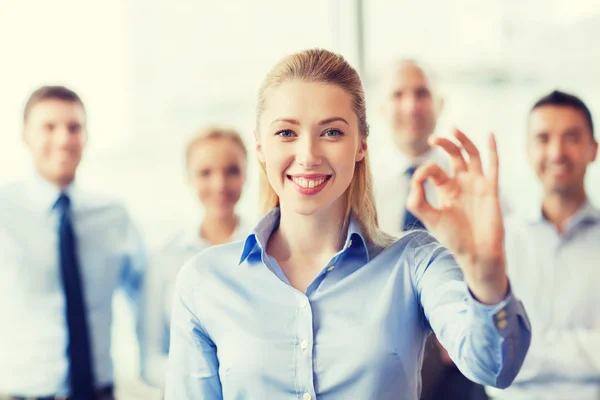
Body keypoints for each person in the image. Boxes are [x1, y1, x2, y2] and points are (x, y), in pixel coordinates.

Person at [164, 48, 531, 400]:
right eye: (286, 133)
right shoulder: (204, 281)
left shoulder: (414, 262)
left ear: (361, 144)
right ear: (260, 147)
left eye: (332, 132)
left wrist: (485, 274)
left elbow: (494, 369)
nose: (308, 155)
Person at [0, 86, 146, 400]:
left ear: (86, 136)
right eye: (49, 127)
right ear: (26, 135)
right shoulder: (3, 211)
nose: (64, 139)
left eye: (74, 127)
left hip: (100, 393)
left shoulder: (114, 216)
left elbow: (146, 296)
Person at [375, 59, 491, 400]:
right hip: (384, 354)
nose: (411, 106)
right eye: (399, 95)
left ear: (439, 104)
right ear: (382, 108)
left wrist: (466, 317)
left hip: (458, 356)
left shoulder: (470, 184)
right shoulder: (360, 189)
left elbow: (498, 266)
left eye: (422, 93)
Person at [488, 90, 600, 400]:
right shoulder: (499, 241)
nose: (556, 152)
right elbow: (490, 356)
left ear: (594, 149)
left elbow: (508, 354)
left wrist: (524, 348)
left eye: (572, 137)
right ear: (526, 151)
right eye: (543, 138)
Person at [142, 126, 251, 390]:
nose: (219, 184)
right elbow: (150, 359)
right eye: (205, 173)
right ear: (188, 178)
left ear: (247, 174)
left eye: (231, 171)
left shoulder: (270, 250)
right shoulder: (165, 258)